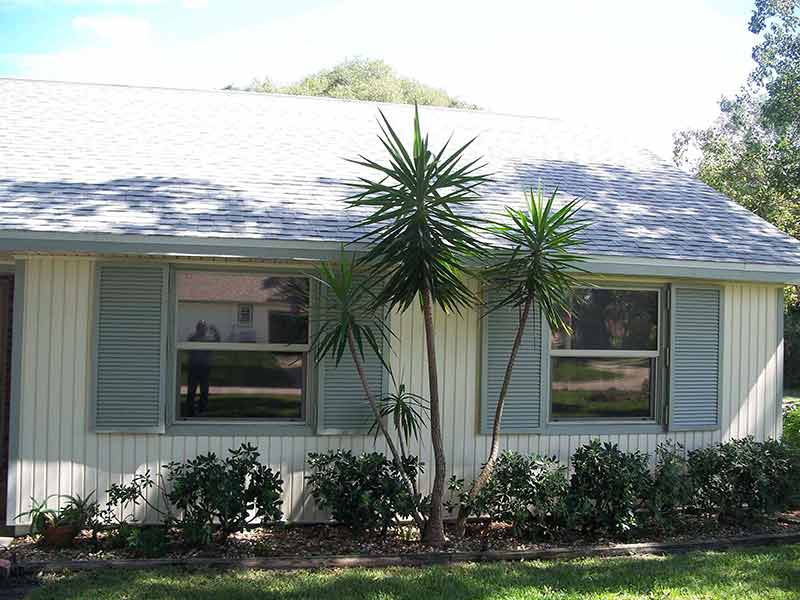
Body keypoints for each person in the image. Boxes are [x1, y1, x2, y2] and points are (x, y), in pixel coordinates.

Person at [186, 319, 220, 417]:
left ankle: (202, 410)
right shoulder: (192, 338)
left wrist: (215, 330)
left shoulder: (208, 339)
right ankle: (190, 410)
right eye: (200, 327)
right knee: (191, 390)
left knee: (204, 390)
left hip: (205, 368)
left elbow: (218, 341)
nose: (202, 329)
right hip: (194, 367)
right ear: (197, 328)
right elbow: (187, 346)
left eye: (204, 327)